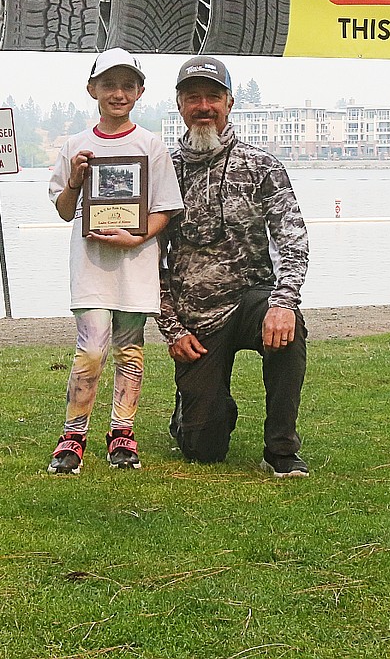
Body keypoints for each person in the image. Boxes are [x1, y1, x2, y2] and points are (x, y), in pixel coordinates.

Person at [157, 55, 311, 477]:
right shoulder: (163, 173)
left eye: (213, 96)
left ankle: (281, 449)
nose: (203, 106)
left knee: (290, 328)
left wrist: (284, 303)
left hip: (253, 303)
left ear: (229, 102)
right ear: (179, 105)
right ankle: (195, 410)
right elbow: (149, 260)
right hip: (195, 319)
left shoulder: (263, 167)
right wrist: (173, 328)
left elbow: (293, 241)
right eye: (193, 98)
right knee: (204, 450)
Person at [46, 47, 183, 474]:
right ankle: (73, 435)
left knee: (130, 352)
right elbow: (66, 209)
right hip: (90, 266)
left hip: (135, 265)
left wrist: (136, 236)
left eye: (127, 85)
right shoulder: (75, 146)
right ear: (92, 90)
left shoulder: (151, 145)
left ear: (140, 92)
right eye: (109, 85)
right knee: (90, 351)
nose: (118, 93)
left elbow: (164, 207)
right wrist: (75, 180)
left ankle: (121, 433)